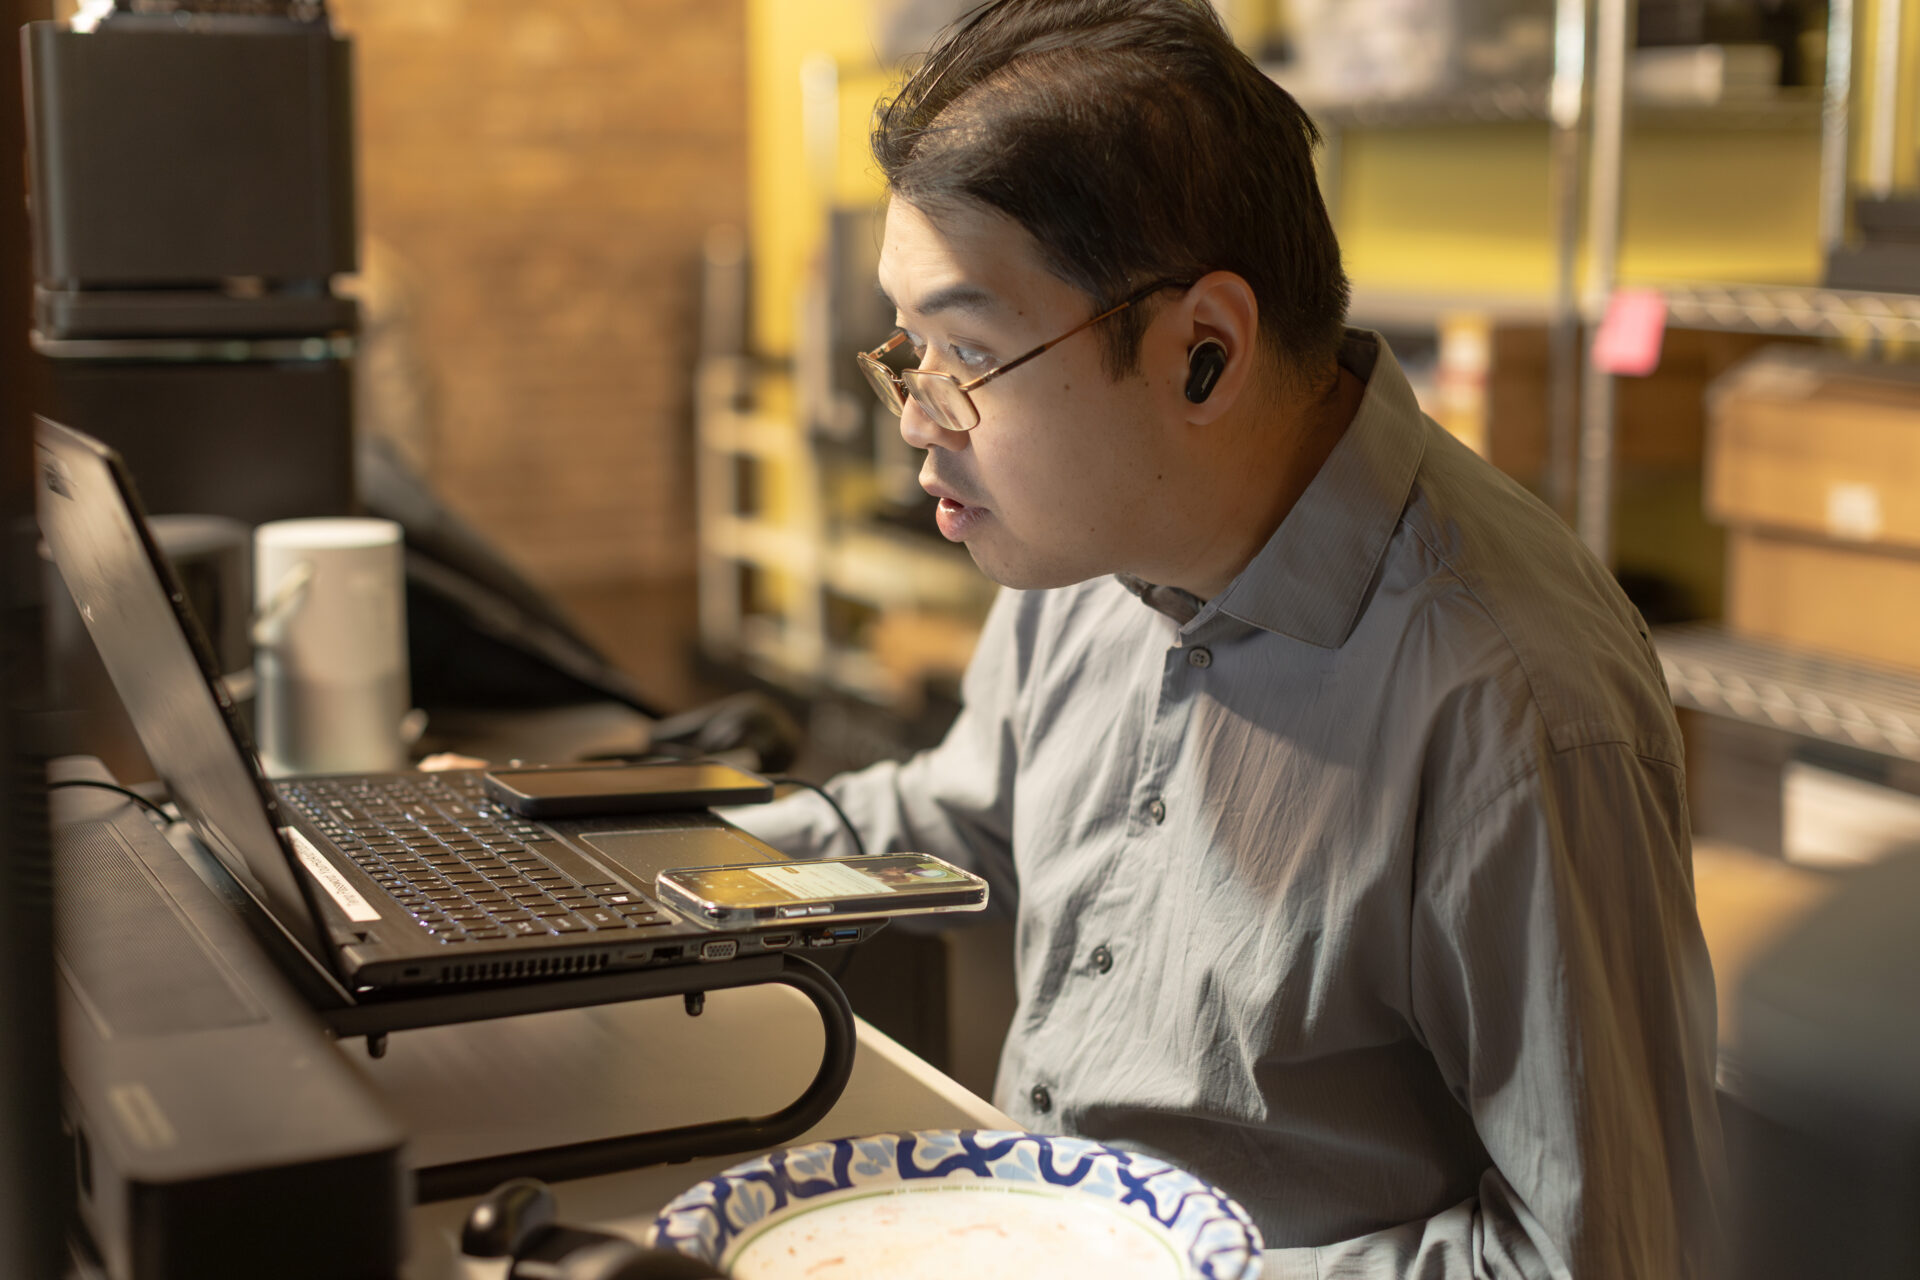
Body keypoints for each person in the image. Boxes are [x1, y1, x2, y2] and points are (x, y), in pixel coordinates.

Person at [730, 2, 1725, 1275]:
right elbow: (961, 815)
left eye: (965, 351)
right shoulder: (1084, 547)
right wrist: (619, 871)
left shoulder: (1509, 703)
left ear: (1204, 353)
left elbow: (1606, 1256)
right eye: (909, 347)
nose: (917, 417)